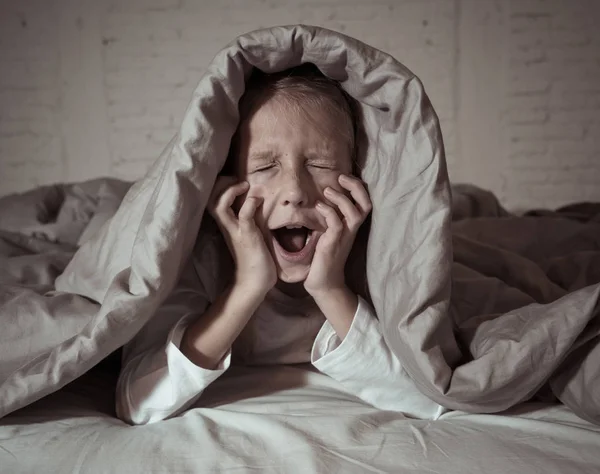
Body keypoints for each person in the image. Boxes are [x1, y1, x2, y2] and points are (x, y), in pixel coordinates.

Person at [116, 64, 446, 425]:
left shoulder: (377, 254)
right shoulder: (197, 258)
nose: (294, 192)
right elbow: (139, 403)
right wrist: (247, 286)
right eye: (263, 166)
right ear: (226, 188)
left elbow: (429, 398)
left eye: (320, 163)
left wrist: (330, 288)